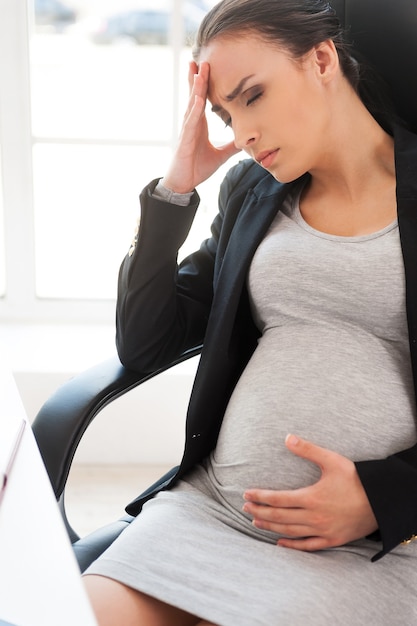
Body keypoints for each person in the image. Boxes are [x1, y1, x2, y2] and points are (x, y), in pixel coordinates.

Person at [83, 0, 417, 623]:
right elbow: (147, 342)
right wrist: (175, 191)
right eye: (225, 115)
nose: (241, 136)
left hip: (378, 547)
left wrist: (383, 498)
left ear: (321, 59)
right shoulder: (252, 193)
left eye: (253, 96)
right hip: (209, 513)